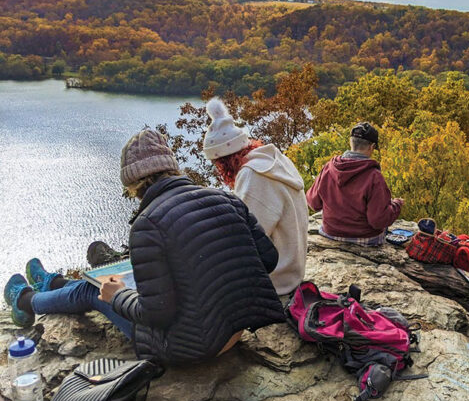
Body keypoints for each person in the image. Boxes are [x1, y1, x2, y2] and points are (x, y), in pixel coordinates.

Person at [4, 128, 284, 366]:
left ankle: (26, 300)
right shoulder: (228, 200)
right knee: (102, 284)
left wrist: (117, 295)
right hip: (234, 333)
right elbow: (269, 259)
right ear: (173, 168)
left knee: (94, 290)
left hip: (190, 347)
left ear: (133, 184)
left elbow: (157, 314)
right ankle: (54, 285)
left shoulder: (148, 224)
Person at [203, 97, 308, 300]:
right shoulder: (274, 161)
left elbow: (245, 238)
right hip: (291, 270)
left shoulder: (254, 175)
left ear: (225, 161)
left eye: (218, 165)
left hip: (275, 280)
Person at [306, 122, 403, 246]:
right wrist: (396, 204)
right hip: (365, 238)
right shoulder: (374, 176)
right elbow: (378, 220)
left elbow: (313, 203)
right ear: (372, 147)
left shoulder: (328, 168)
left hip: (330, 233)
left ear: (350, 142)